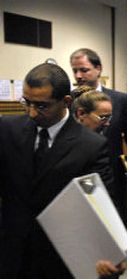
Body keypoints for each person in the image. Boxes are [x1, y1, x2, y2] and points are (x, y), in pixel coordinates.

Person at [0, 63, 115, 278]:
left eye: (42, 106)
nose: (32, 113)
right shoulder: (7, 130)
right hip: (11, 253)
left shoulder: (90, 145)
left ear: (66, 102)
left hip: (60, 257)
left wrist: (108, 252)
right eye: (27, 102)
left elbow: (100, 205)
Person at [70, 49, 127, 227]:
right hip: (77, 179)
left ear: (98, 69)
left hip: (112, 177)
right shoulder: (69, 100)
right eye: (75, 71)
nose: (78, 75)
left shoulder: (119, 100)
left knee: (115, 226)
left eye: (84, 69)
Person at [72, 89, 127, 278]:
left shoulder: (98, 142)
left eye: (110, 117)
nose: (108, 123)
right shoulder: (66, 145)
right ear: (81, 114)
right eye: (103, 117)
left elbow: (104, 195)